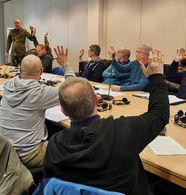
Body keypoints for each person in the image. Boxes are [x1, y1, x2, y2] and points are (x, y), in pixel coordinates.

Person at [43, 50, 169, 195]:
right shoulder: (124, 131)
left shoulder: (55, 144)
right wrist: (156, 77)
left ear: (63, 110)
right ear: (96, 100)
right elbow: (160, 114)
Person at [0, 46, 75, 168]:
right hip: (28, 155)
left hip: (5, 150)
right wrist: (66, 64)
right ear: (41, 71)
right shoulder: (40, 93)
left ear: (19, 70)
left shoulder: (8, 85)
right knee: (68, 148)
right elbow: (73, 89)